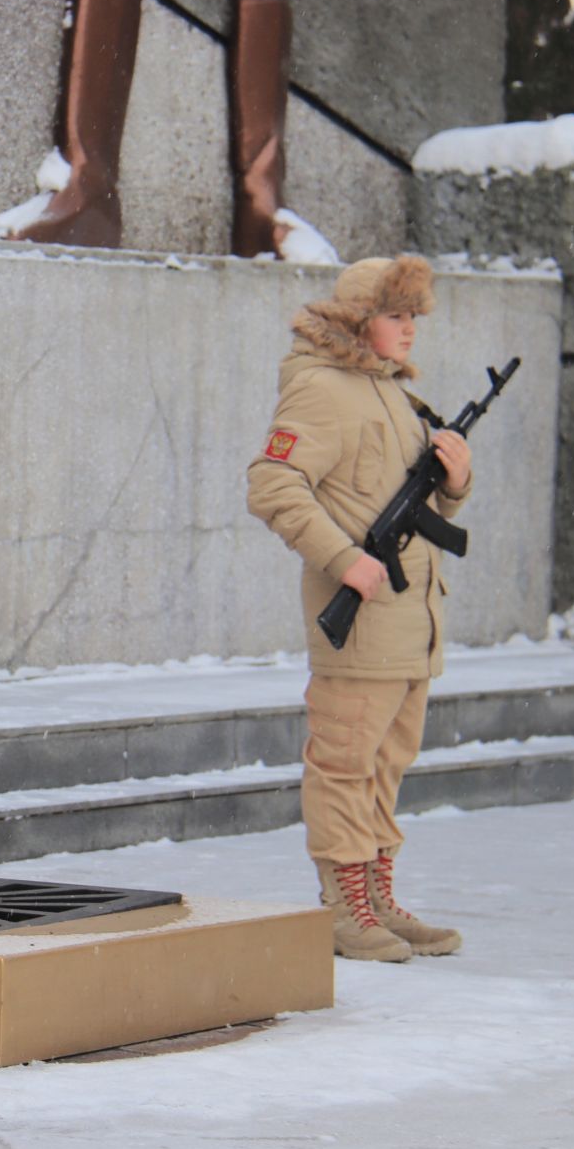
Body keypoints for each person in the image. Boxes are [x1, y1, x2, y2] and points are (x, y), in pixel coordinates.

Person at [245, 255, 469, 963]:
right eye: (396, 317)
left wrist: (456, 483)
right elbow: (274, 485)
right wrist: (345, 559)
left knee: (386, 767)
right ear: (357, 322)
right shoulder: (323, 391)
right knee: (344, 763)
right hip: (362, 622)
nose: (409, 332)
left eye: (413, 318)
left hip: (412, 626)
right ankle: (344, 907)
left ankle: (379, 900)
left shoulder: (394, 396)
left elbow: (415, 502)